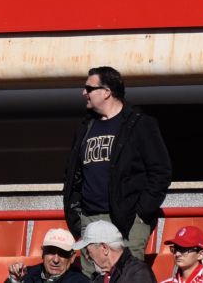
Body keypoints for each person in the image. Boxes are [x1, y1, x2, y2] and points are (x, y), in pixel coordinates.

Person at [60, 66, 172, 258]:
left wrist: (141, 214)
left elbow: (161, 172)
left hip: (127, 220)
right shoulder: (85, 128)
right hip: (90, 219)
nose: (83, 92)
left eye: (89, 88)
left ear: (106, 92)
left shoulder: (139, 124)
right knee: (92, 277)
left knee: (126, 275)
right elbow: (73, 174)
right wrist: (78, 215)